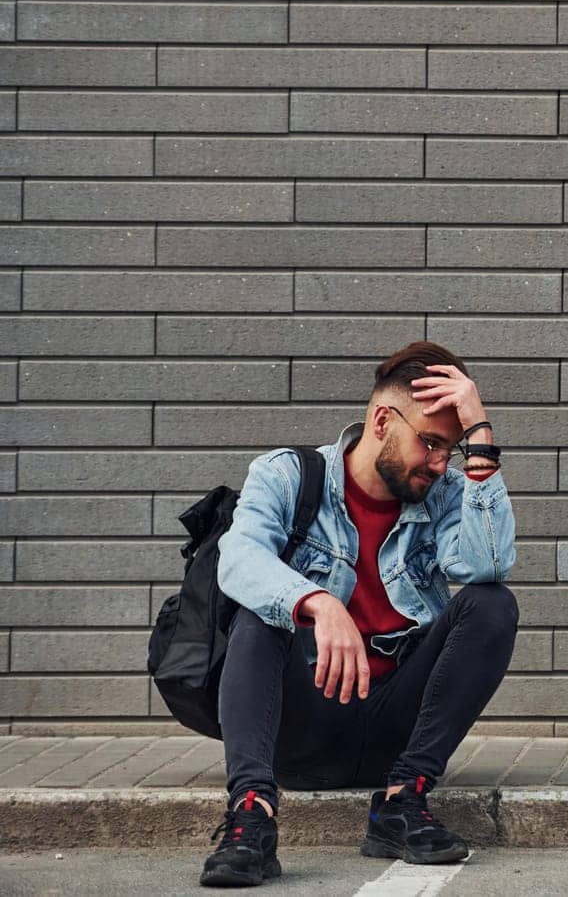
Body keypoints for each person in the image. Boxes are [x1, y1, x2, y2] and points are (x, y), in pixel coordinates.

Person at [200, 341, 517, 886]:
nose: (443, 463)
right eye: (432, 444)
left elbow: (487, 565)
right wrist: (316, 602)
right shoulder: (287, 475)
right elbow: (239, 558)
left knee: (492, 604)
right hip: (301, 730)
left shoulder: (442, 493)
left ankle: (401, 802)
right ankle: (252, 812)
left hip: (396, 727)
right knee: (259, 614)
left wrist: (481, 438)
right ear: (381, 421)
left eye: (453, 448)